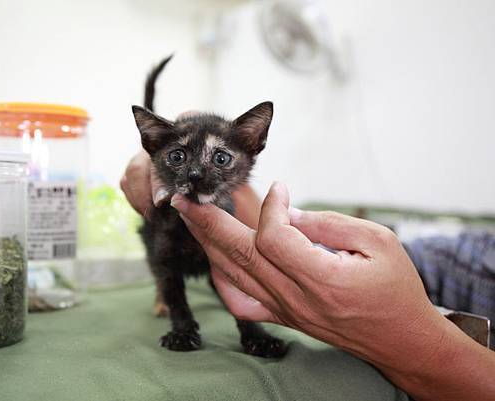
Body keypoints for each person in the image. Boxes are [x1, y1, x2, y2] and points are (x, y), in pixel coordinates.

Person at [121, 150, 495, 401]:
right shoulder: (473, 258)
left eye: (220, 158)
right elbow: (423, 264)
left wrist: (421, 348)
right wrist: (265, 228)